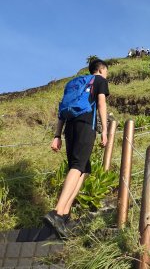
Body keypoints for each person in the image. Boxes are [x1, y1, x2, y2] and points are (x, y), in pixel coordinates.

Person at [43, 58, 110, 239]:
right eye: (107, 72)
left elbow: (62, 111)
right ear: (102, 69)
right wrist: (104, 131)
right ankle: (56, 212)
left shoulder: (73, 83)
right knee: (77, 166)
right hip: (86, 124)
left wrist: (57, 135)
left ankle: (64, 215)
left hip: (70, 127)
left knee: (83, 168)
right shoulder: (99, 80)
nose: (107, 75)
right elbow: (101, 104)